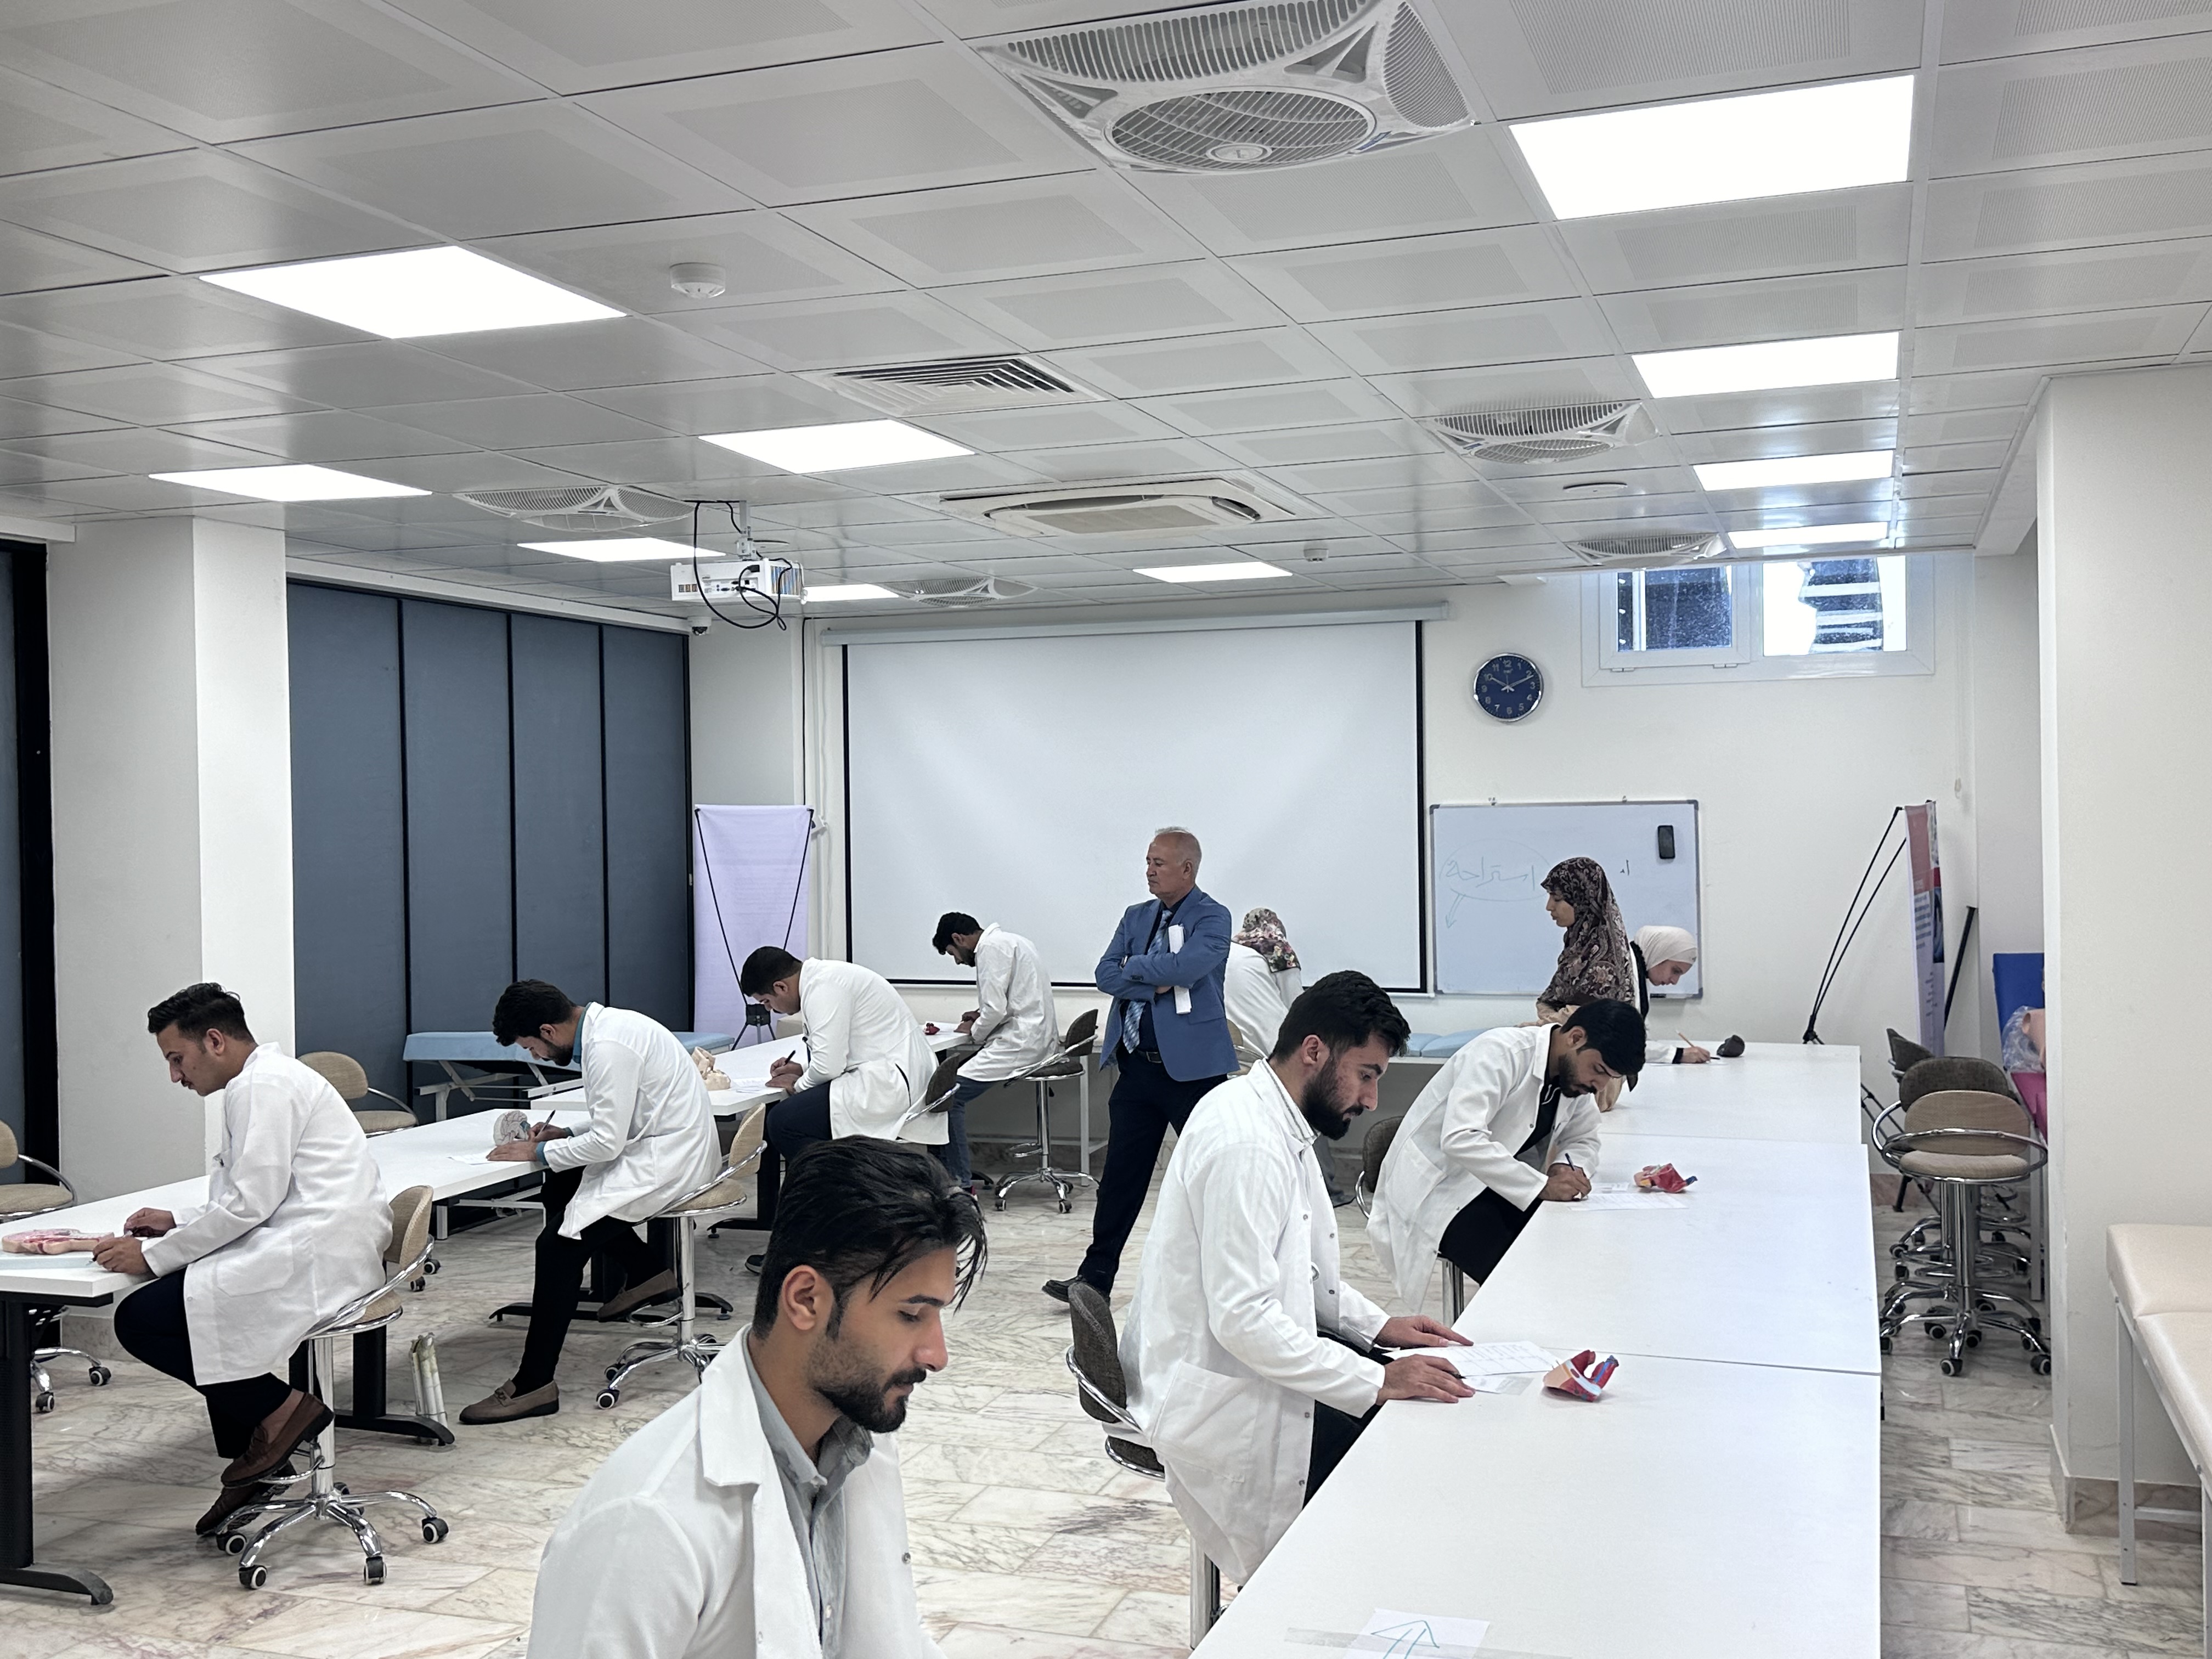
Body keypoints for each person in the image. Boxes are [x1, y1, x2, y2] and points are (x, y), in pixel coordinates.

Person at [528, 1138, 983, 1659]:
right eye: (911, 1315)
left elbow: (890, 1630)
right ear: (806, 1299)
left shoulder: (855, 1442)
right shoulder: (644, 1523)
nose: (936, 1355)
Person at [1119, 971, 1471, 1582]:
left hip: (1243, 1364)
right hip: (1219, 1400)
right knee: (1399, 1465)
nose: (1371, 1100)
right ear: (1314, 1051)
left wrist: (1377, 1327)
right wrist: (1377, 1378)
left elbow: (1295, 1269)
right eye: (1366, 1075)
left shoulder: (1273, 1118)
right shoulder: (1248, 1144)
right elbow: (1243, 1319)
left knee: (1412, 1422)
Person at [97, 983, 390, 1539]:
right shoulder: (263, 1080)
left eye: (176, 1059)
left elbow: (251, 1203)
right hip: (315, 1239)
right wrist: (179, 1221)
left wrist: (151, 1254)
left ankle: (279, 1414)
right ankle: (261, 1452)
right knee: (198, 1304)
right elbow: (253, 1192)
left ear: (214, 1041)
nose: (175, 1076)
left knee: (142, 1319)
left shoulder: (262, 1085)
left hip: (313, 1251)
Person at [459, 980, 720, 1425]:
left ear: (548, 1030)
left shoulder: (607, 1047)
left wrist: (538, 1151)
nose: (537, 1056)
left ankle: (534, 1384)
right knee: (560, 1188)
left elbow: (609, 1142)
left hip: (669, 1162)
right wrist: (565, 1135)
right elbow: (624, 1117)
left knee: (557, 1247)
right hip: (665, 1146)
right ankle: (648, 1273)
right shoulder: (612, 1027)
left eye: (532, 1047)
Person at [1043, 827, 1235, 1305]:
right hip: (1137, 1068)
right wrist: (1152, 979)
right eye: (1148, 861)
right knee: (1120, 1180)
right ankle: (1094, 1280)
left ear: (1187, 869)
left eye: (1159, 863)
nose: (1149, 871)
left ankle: (1232, 1281)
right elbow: (1105, 974)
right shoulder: (1136, 916)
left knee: (1214, 1178)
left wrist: (1137, 966)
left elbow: (1186, 969)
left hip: (1193, 1072)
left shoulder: (1213, 916)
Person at [1370, 1000, 1648, 1310]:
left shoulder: (1574, 1080)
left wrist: (1565, 1167)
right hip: (1441, 1190)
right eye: (1599, 1070)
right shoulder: (1500, 1053)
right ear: (1576, 1037)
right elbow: (1461, 1138)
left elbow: (1584, 1137)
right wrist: (1541, 1185)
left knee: (1566, 1251)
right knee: (1521, 1281)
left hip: (1496, 1184)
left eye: (1610, 1077)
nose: (1599, 1085)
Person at [932, 912, 1059, 1191]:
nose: (958, 961)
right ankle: (945, 1174)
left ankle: (958, 1182)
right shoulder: (1014, 941)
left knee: (946, 1095)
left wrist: (973, 1030)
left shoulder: (989, 949)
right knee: (944, 1084)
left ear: (958, 939)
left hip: (1020, 1043)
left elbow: (996, 1010)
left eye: (953, 954)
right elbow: (1014, 999)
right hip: (1033, 1038)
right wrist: (979, 1015)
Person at [1535, 856, 1635, 1020]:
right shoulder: (1578, 948)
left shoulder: (1606, 958)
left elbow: (1586, 1019)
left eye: (1557, 898)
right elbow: (1549, 1001)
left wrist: (1541, 1026)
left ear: (1582, 900)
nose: (1549, 907)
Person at [1222, 905, 1302, 1067]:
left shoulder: (1228, 949)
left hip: (1226, 1049)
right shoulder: (1280, 950)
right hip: (1269, 1056)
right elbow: (1298, 1007)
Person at [1629, 923, 1711, 1065]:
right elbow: (1623, 1043)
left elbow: (1639, 1037)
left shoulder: (1641, 974)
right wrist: (1677, 1054)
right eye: (1675, 971)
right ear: (1660, 954)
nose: (1675, 981)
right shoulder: (1624, 975)